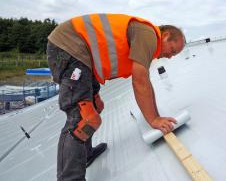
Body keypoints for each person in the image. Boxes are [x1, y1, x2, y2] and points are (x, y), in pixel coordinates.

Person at [46, 13, 185, 181]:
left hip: (83, 57)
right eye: (172, 50)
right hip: (69, 47)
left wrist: (155, 116)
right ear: (167, 35)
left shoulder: (147, 41)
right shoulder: (149, 34)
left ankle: (84, 154)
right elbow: (140, 81)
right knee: (82, 118)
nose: (170, 56)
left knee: (95, 107)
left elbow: (144, 80)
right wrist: (154, 119)